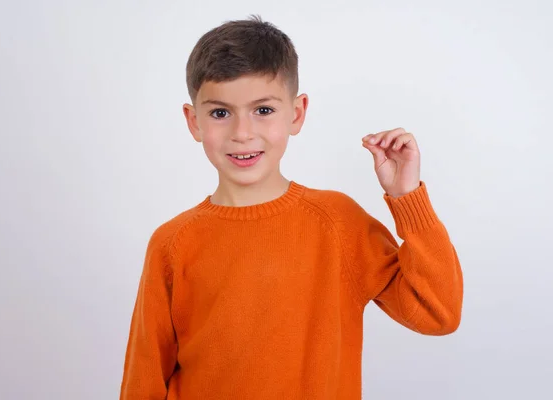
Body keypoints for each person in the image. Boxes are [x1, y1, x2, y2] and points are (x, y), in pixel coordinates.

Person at [119, 15, 463, 400]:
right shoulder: (172, 243)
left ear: (296, 113)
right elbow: (145, 377)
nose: (242, 132)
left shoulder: (338, 222)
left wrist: (407, 198)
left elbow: (438, 314)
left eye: (263, 110)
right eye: (220, 113)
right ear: (193, 121)